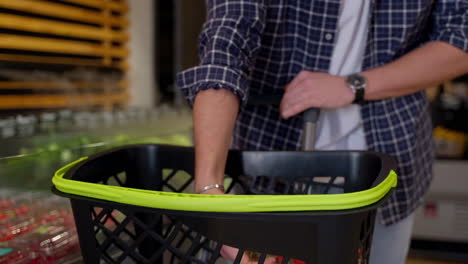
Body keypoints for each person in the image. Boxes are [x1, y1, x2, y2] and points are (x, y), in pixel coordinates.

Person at [177, 0, 468, 263]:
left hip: (390, 156)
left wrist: (353, 85)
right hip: (267, 165)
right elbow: (225, 51)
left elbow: (461, 36)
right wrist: (210, 192)